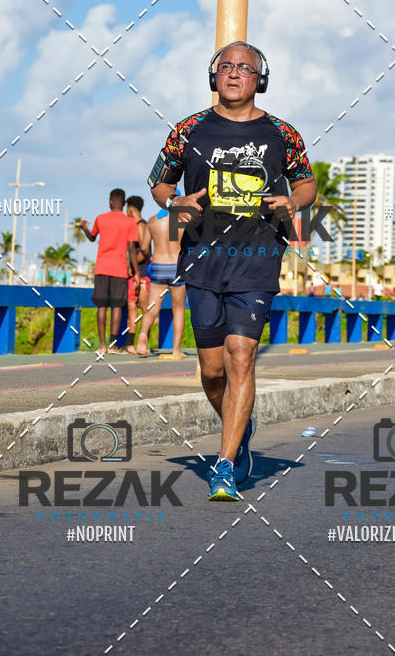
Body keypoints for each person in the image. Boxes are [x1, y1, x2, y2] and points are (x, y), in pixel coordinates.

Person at [148, 41, 316, 501]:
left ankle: (225, 463)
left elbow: (306, 182)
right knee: (212, 370)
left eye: (245, 68)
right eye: (226, 67)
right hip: (202, 261)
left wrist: (293, 201)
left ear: (260, 78)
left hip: (257, 259)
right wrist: (173, 200)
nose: (235, 73)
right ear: (213, 76)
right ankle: (238, 422)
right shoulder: (188, 130)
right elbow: (159, 181)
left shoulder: (283, 133)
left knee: (241, 354)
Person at [80, 189, 140, 354]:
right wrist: (136, 273)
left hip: (101, 268)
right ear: (123, 202)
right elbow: (131, 250)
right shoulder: (130, 222)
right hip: (119, 269)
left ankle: (101, 345)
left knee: (101, 306)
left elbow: (92, 238)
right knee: (116, 307)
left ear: (112, 201)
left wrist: (84, 227)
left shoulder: (100, 218)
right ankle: (113, 345)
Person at [136, 194, 187, 360]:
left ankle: (142, 340)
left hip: (158, 265)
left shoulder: (152, 221)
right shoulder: (183, 220)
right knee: (178, 309)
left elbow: (143, 248)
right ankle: (176, 349)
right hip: (176, 267)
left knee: (151, 308)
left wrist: (151, 256)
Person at [124, 196, 151, 354]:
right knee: (135, 309)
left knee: (142, 309)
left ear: (131, 208)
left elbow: (144, 250)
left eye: (127, 209)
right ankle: (131, 344)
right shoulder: (143, 224)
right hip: (139, 273)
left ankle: (139, 344)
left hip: (140, 274)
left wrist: (131, 266)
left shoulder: (140, 225)